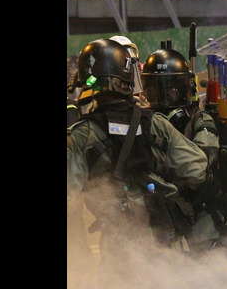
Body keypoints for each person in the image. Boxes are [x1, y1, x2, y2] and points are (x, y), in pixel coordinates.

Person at [67, 38, 208, 256]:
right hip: (167, 241)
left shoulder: (81, 135)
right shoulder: (155, 122)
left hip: (120, 248)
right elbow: (196, 170)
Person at [141, 40, 227, 253]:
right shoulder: (147, 123)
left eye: (171, 90)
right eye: (155, 91)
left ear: (185, 88)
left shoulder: (199, 120)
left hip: (200, 217)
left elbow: (202, 162)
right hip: (163, 216)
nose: (163, 98)